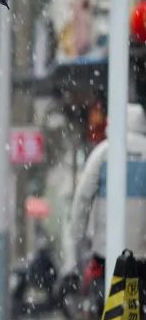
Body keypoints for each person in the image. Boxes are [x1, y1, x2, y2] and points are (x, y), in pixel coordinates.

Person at [63, 103, 146, 277]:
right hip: (142, 253)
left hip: (107, 250)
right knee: (137, 291)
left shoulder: (103, 152)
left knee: (107, 290)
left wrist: (77, 235)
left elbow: (83, 196)